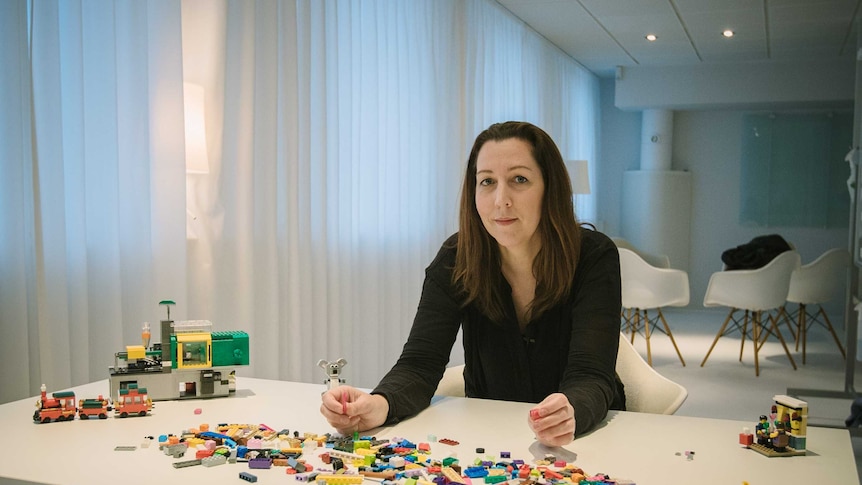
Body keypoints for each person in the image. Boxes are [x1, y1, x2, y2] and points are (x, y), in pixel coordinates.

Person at [320, 121, 625, 447]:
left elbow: (591, 375)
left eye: (519, 179)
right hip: (488, 439)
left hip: (584, 441)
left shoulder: (593, 256)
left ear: (550, 189)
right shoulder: (456, 258)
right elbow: (420, 365)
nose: (500, 200)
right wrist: (376, 405)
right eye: (487, 182)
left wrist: (570, 411)